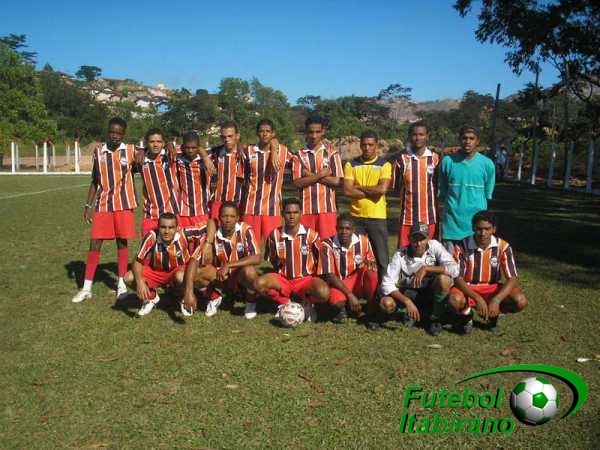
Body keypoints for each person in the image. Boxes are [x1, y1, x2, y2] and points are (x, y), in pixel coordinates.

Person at [72, 117, 140, 303]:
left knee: (122, 243)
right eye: (112, 132)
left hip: (123, 205)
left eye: (119, 133)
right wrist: (88, 205)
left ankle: (121, 284)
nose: (115, 136)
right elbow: (95, 180)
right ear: (108, 132)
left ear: (123, 134)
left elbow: (154, 150)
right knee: (94, 243)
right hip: (103, 205)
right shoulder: (98, 152)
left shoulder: (131, 150)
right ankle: (86, 288)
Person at [448, 211, 528, 334]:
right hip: (468, 287)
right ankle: (466, 316)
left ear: (494, 229)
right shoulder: (462, 246)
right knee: (454, 299)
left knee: (520, 301)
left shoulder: (503, 246)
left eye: (487, 229)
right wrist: (477, 298)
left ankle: (493, 316)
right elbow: (458, 279)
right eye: (479, 229)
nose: (483, 233)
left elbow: (512, 278)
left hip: (492, 287)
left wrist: (496, 300)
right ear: (473, 228)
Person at [181, 202, 261, 319]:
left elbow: (257, 257)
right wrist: (188, 292)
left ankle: (250, 301)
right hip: (219, 276)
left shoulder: (245, 229)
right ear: (219, 217)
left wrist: (229, 265)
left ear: (238, 218)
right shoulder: (212, 234)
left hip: (238, 275)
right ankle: (214, 296)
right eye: (224, 216)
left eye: (232, 216)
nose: (228, 220)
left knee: (250, 271)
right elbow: (194, 260)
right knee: (196, 272)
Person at [254, 198, 329, 322]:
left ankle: (307, 303)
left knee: (324, 293)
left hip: (305, 280)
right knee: (258, 284)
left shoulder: (312, 235)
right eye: (288, 213)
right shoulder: (274, 235)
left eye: (295, 212)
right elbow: (273, 260)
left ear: (301, 213)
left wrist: (313, 285)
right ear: (282, 214)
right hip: (284, 279)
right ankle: (284, 302)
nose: (292, 216)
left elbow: (319, 262)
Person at [379, 223, 459, 335]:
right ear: (409, 238)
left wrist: (427, 268)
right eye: (415, 239)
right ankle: (408, 313)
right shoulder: (400, 254)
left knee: (444, 279)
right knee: (386, 303)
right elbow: (386, 283)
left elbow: (455, 269)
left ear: (428, 238)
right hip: (410, 293)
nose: (418, 243)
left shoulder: (435, 246)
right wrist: (407, 302)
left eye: (422, 239)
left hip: (431, 292)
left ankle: (435, 318)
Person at [124, 213, 208, 316]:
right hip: (156, 272)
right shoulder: (152, 236)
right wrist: (139, 281)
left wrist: (208, 244)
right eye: (163, 227)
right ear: (158, 227)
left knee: (180, 276)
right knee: (128, 277)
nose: (167, 231)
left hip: (178, 269)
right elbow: (137, 260)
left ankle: (183, 297)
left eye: (171, 227)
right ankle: (151, 297)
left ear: (177, 228)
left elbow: (208, 226)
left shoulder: (184, 233)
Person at [437, 125, 495, 251]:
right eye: (464, 138)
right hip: (452, 224)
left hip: (476, 225)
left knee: (474, 261)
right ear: (459, 139)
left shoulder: (487, 164)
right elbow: (442, 192)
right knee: (450, 261)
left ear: (477, 141)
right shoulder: (447, 161)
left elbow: (487, 194)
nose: (467, 141)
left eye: (471, 138)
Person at [343, 130, 392, 276]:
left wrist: (358, 187)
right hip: (356, 217)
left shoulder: (384, 165)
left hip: (377, 217)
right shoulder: (351, 164)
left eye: (370, 145)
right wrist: (372, 191)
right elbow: (348, 191)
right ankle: (356, 285)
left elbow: (382, 190)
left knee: (381, 257)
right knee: (356, 256)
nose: (367, 148)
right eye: (364, 145)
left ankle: (384, 287)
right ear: (360, 145)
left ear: (376, 145)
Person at [239, 119, 292, 243]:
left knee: (274, 247)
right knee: (250, 247)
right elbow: (241, 179)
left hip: (272, 208)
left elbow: (299, 165)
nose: (264, 134)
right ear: (257, 133)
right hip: (250, 207)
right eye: (261, 131)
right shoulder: (248, 152)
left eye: (268, 131)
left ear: (273, 133)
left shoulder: (283, 152)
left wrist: (274, 149)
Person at [320, 214, 378, 323]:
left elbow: (372, 263)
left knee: (372, 273)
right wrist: (350, 295)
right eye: (341, 228)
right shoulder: (327, 244)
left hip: (357, 282)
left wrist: (369, 263)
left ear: (353, 229)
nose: (344, 232)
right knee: (337, 303)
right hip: (339, 283)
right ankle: (346, 308)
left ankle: (371, 308)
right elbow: (330, 276)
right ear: (336, 228)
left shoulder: (364, 241)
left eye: (348, 228)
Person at [291, 116, 343, 239]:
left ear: (323, 132)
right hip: (305, 210)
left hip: (327, 210)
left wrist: (310, 175)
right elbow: (297, 183)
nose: (314, 136)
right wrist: (321, 175)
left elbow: (336, 181)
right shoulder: (299, 155)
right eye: (311, 132)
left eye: (317, 132)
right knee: (306, 246)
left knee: (327, 245)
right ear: (306, 132)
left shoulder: (332, 153)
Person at [392, 121, 440, 248]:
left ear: (427, 136)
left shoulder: (435, 159)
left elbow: (438, 186)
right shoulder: (401, 160)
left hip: (429, 218)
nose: (417, 138)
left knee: (430, 253)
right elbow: (396, 188)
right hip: (407, 218)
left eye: (421, 134)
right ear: (409, 136)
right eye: (414, 134)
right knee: (404, 254)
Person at [138, 128, 179, 237]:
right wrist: (141, 149)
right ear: (147, 143)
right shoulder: (140, 159)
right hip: (151, 215)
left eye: (159, 141)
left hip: (171, 215)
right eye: (152, 141)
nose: (155, 145)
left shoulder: (170, 155)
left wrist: (170, 144)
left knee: (172, 247)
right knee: (148, 246)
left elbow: (192, 146)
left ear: (163, 143)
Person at [174, 131, 211, 228]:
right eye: (187, 147)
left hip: (202, 210)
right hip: (183, 211)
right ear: (183, 147)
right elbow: (167, 148)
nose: (190, 150)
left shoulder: (208, 157)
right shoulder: (179, 158)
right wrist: (169, 144)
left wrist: (205, 156)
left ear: (199, 147)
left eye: (194, 148)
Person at [209, 122, 245, 220]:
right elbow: (195, 149)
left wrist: (274, 142)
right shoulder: (216, 152)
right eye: (224, 137)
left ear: (237, 136)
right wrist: (204, 156)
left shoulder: (245, 153)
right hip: (218, 201)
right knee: (214, 227)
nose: (227, 139)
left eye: (230, 136)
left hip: (237, 202)